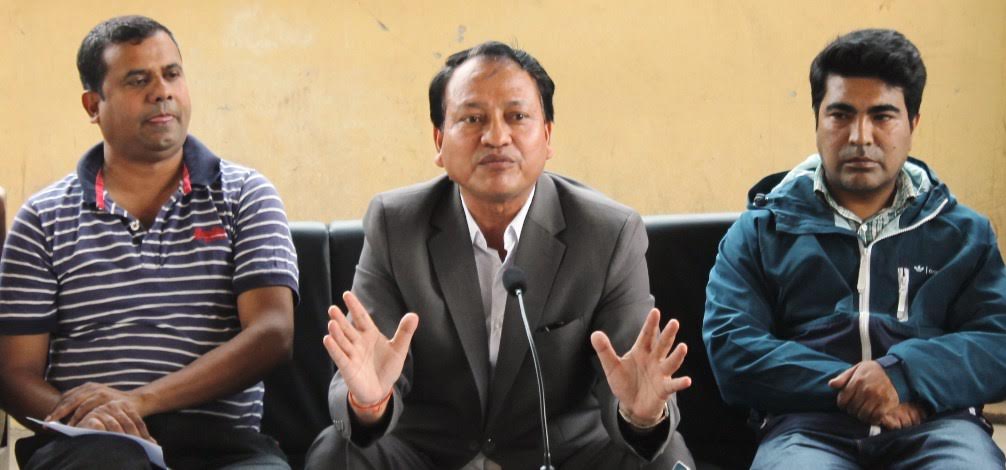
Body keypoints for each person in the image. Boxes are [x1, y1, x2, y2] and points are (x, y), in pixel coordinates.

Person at [305, 41, 695, 469]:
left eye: (517, 116)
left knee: (665, 458)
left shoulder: (607, 233)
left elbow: (631, 377)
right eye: (472, 118)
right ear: (439, 141)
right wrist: (370, 403)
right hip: (429, 455)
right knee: (335, 452)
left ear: (547, 136)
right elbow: (372, 367)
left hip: (561, 456)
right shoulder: (395, 225)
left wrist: (641, 416)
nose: (496, 137)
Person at [0, 15, 299, 469]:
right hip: (91, 447)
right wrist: (90, 419)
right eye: (138, 80)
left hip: (223, 445)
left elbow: (273, 333)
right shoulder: (43, 219)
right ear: (93, 105)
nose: (162, 91)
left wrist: (141, 401)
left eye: (172, 74)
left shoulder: (245, 195)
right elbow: (12, 373)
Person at [703, 28, 1006, 469]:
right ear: (817, 120)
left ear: (913, 124)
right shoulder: (758, 233)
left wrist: (904, 376)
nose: (860, 136)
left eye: (882, 116)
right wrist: (862, 389)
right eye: (841, 115)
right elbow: (733, 349)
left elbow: (998, 342)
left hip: (938, 425)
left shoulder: (964, 234)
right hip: (805, 431)